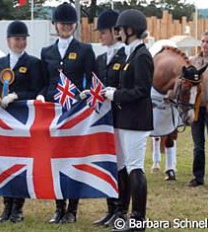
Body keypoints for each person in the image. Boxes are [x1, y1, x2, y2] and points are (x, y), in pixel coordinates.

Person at [38, 2, 95, 224]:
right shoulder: (47, 52)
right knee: (55, 159)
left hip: (75, 112)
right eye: (62, 23)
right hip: (53, 110)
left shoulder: (84, 50)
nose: (66, 27)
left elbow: (92, 80)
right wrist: (42, 95)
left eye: (70, 23)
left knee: (73, 158)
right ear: (55, 25)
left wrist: (85, 94)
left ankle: (72, 209)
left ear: (74, 25)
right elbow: (44, 82)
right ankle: (58, 206)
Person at [104, 9, 154, 232]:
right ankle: (121, 212)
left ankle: (138, 219)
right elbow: (128, 86)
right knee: (122, 166)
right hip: (124, 119)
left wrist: (115, 95)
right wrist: (113, 90)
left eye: (120, 29)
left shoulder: (142, 56)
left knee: (135, 168)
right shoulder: (130, 54)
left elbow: (142, 91)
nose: (118, 33)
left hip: (136, 120)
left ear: (130, 30)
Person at [0, 21, 43, 223]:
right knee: (5, 164)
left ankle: (18, 207)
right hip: (3, 123)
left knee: (20, 164)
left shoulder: (33, 63)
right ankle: (6, 206)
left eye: (23, 39)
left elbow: (37, 90)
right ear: (8, 40)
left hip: (22, 120)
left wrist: (16, 95)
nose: (20, 42)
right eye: (16, 38)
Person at [89, 9, 127, 227]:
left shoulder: (125, 55)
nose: (100, 36)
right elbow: (97, 84)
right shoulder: (100, 58)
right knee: (108, 163)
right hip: (103, 119)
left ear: (115, 31)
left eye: (103, 32)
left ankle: (122, 209)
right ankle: (111, 208)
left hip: (121, 117)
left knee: (121, 165)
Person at [188, 31, 208, 187]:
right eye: (203, 41)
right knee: (198, 144)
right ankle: (198, 177)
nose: (205, 44)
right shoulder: (192, 61)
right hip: (196, 108)